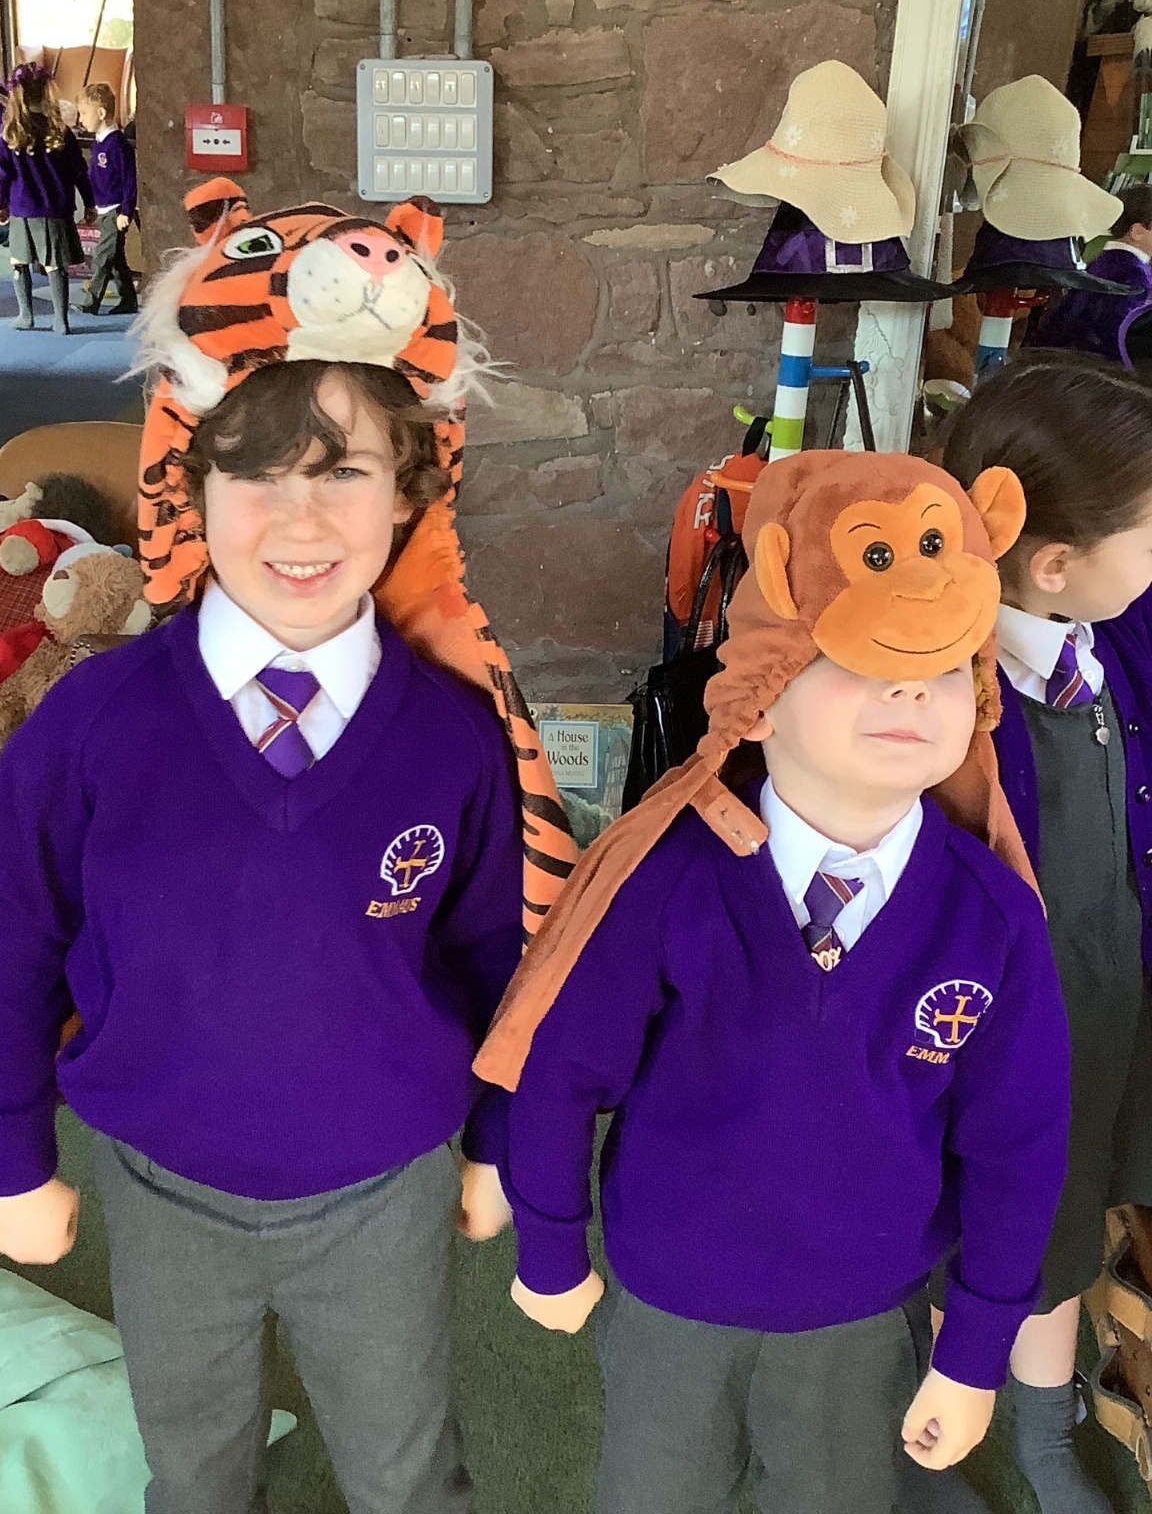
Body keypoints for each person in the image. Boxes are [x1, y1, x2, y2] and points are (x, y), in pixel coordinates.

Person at [0, 180, 573, 1514]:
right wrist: (9, 1157)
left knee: (404, 1464)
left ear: (410, 490)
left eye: (344, 470)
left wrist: (496, 1142)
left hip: (383, 1187)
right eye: (258, 471)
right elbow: (4, 938)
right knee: (193, 1465)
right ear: (193, 478)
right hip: (161, 1180)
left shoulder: (454, 736)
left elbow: (496, 955)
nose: (302, 521)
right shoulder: (96, 722)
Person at [475, 450, 1072, 1514]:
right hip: (671, 1301)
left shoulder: (993, 917)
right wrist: (551, 1240)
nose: (910, 691)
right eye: (858, 662)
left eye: (943, 671)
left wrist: (978, 1346)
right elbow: (565, 1066)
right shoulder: (668, 878)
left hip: (863, 1317)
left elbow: (1018, 1144)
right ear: (761, 699)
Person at [933, 354, 1152, 1514]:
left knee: (1063, 1242)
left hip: (1103, 1009)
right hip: (1007, 1045)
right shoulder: (953, 705)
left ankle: (1040, 1430)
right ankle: (926, 1429)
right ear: (1058, 563)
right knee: (973, 1243)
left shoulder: (1097, 641)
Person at [0, 62, 95, 335]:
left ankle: (26, 315)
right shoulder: (60, 131)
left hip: (22, 209)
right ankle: (61, 320)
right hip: (55, 208)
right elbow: (79, 172)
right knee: (54, 264)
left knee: (19, 260)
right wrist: (90, 202)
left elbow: (1, 175)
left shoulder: (9, 133)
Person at [1025, 185, 1152, 371]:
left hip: (1062, 357)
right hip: (1094, 367)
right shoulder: (1134, 275)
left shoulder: (1102, 261)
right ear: (1138, 232)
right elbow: (1125, 334)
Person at [76, 81, 137, 316]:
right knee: (116, 258)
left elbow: (129, 180)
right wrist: (92, 205)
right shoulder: (98, 143)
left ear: (101, 113)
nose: (81, 119)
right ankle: (129, 299)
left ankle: (91, 302)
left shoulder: (117, 145)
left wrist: (126, 210)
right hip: (103, 208)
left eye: (84, 113)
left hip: (115, 210)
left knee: (102, 257)